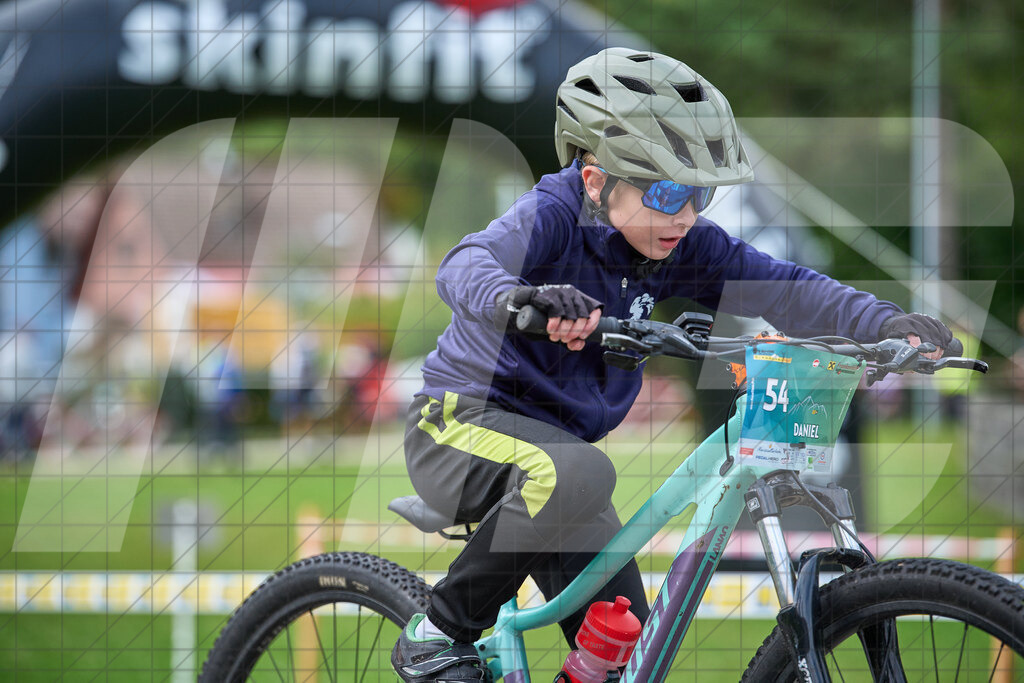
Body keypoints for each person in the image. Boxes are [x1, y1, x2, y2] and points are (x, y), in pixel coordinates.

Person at [390, 47, 956, 682]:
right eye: (666, 192)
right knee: (580, 471)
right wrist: (521, 298)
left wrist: (883, 323)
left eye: (701, 195)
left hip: (560, 471)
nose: (686, 214)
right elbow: (463, 264)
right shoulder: (551, 214)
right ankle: (435, 634)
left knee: (628, 644)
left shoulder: (677, 243)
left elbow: (786, 287)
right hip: (459, 427)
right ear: (595, 177)